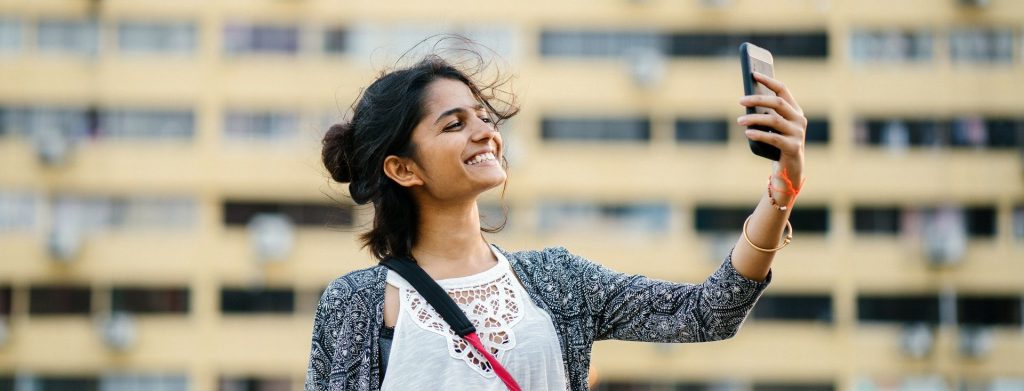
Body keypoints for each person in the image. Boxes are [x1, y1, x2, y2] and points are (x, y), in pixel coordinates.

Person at [305, 49, 807, 391]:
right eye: (455, 124)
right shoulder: (355, 303)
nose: (485, 131)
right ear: (402, 169)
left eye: (484, 117)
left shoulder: (558, 280)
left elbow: (706, 313)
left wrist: (782, 190)